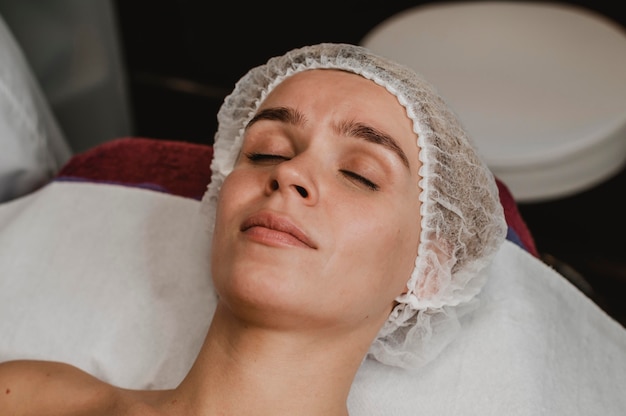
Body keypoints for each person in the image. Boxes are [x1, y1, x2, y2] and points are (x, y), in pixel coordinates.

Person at [0, 43, 506, 415]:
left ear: (430, 273)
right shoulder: (29, 398)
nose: (288, 173)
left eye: (359, 174)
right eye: (267, 152)